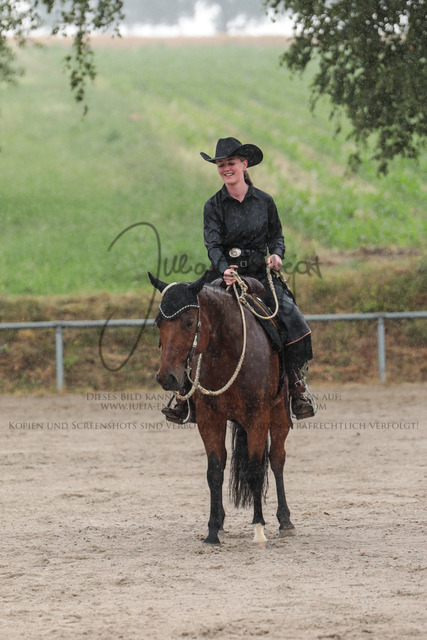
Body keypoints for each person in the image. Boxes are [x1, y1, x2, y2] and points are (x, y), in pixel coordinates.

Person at [162, 137, 315, 424]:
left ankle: (296, 386)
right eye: (221, 165)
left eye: (230, 163)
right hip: (223, 275)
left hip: (259, 275)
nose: (225, 169)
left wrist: (277, 255)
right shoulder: (212, 206)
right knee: (192, 319)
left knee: (292, 318)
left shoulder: (265, 201)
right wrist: (223, 269)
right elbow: (212, 245)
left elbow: (276, 236)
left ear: (244, 164)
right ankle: (184, 394)